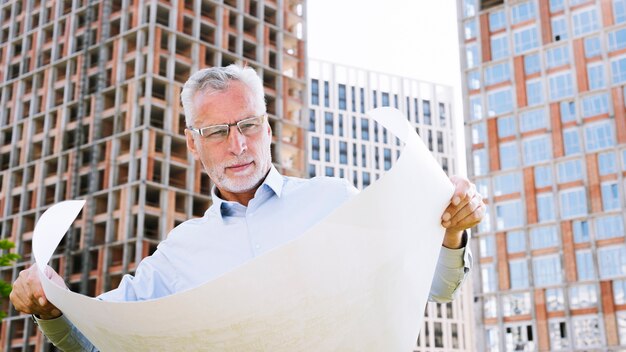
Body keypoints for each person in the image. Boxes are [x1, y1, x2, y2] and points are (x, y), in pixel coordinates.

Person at [10, 64, 484, 351]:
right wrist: (50, 309)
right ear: (194, 146)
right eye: (216, 132)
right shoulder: (178, 255)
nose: (238, 144)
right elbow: (96, 343)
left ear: (269, 129)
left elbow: (436, 290)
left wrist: (451, 231)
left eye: (249, 125)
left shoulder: (334, 201)